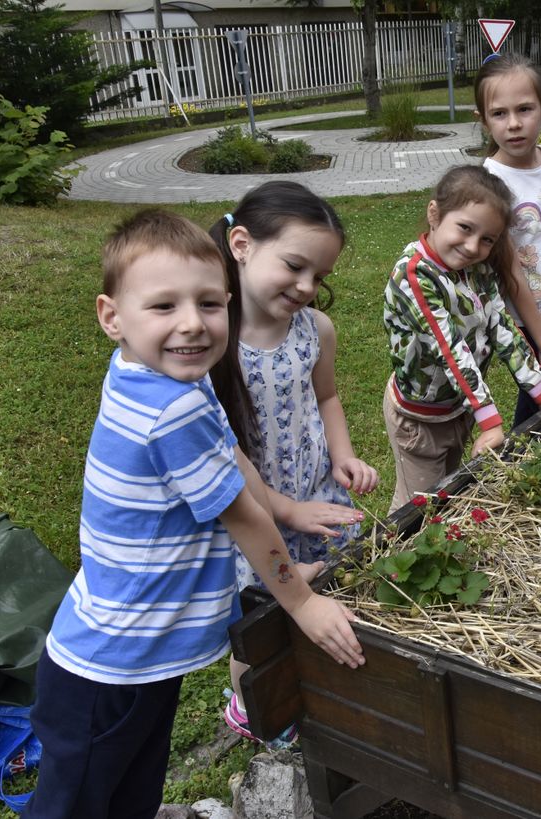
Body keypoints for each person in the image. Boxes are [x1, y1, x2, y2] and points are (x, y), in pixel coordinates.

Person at [25, 210, 364, 819]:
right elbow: (243, 518)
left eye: (209, 305)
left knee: (130, 795)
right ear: (112, 317)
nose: (192, 325)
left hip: (139, 662)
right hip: (110, 673)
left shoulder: (167, 375)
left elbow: (234, 460)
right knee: (75, 807)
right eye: (164, 307)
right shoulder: (169, 410)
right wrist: (301, 602)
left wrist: (278, 549)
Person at [207, 180, 378, 745]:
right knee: (261, 623)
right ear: (241, 245)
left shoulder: (315, 331)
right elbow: (224, 458)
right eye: (294, 266)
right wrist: (286, 510)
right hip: (252, 511)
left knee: (332, 586)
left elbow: (325, 397)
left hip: (313, 492)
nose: (307, 287)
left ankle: (319, 683)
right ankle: (251, 703)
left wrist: (344, 456)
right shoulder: (208, 346)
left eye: (319, 276)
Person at [383, 165, 541, 512]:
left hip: (457, 407)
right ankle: (393, 564)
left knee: (449, 491)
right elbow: (451, 350)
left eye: (487, 239)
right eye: (465, 228)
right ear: (435, 214)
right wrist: (491, 421)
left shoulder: (477, 269)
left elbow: (502, 326)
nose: (473, 246)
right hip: (420, 418)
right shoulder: (414, 276)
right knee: (417, 508)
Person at [475, 53, 541, 426]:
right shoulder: (489, 183)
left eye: (525, 109)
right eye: (499, 114)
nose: (515, 124)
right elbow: (510, 268)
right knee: (539, 392)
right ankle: (524, 459)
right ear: (483, 120)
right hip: (518, 315)